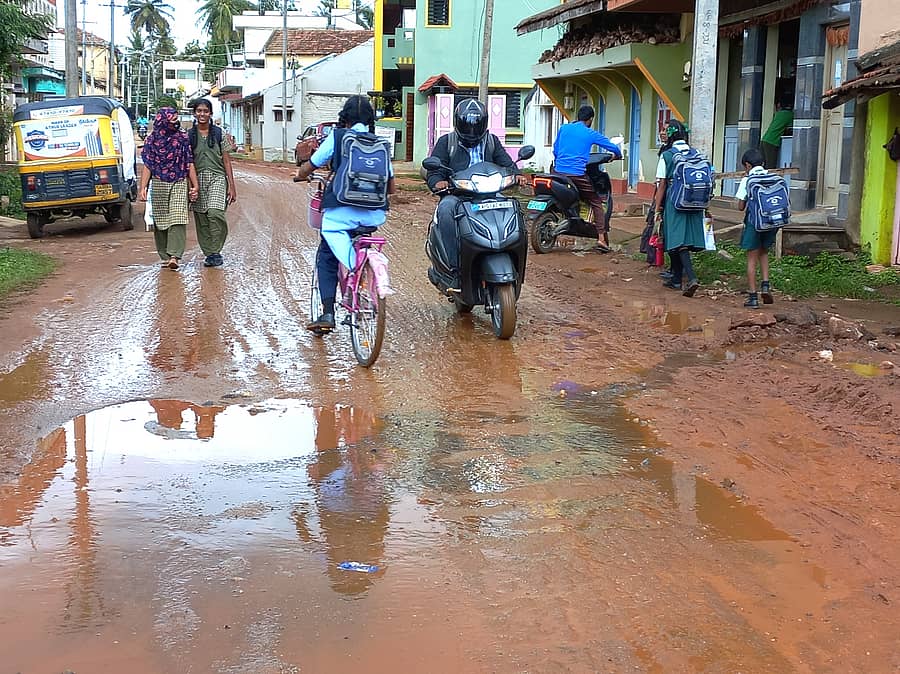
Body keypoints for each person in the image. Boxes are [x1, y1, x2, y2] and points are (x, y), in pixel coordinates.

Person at [295, 95, 396, 334]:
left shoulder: (338, 137)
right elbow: (391, 187)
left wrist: (300, 174)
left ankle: (327, 313)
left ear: (345, 119)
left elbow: (313, 163)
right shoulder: (381, 144)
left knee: (326, 254)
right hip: (373, 215)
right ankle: (360, 277)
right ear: (370, 120)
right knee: (361, 239)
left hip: (340, 213)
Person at [425, 98, 527, 286]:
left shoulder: (492, 141)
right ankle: (453, 268)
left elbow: (506, 164)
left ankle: (514, 261)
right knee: (446, 210)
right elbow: (434, 170)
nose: (472, 131)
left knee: (514, 208)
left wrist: (517, 175)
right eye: (467, 125)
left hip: (490, 194)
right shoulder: (446, 142)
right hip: (459, 196)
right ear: (458, 123)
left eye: (476, 126)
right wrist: (438, 182)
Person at [552, 105, 622, 249]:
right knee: (596, 201)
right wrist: (618, 155)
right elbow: (613, 147)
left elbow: (556, 150)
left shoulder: (564, 128)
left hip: (557, 172)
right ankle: (601, 238)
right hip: (576, 174)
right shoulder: (590, 133)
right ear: (590, 119)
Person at [139, 107, 199, 271]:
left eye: (176, 119)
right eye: (173, 119)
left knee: (178, 217)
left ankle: (175, 255)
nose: (176, 122)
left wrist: (195, 185)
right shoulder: (152, 140)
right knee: (161, 219)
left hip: (179, 181)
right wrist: (143, 187)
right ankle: (165, 256)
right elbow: (148, 165)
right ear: (163, 120)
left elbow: (189, 162)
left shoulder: (182, 138)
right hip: (158, 182)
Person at [655, 119, 705, 297]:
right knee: (681, 240)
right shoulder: (696, 153)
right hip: (695, 201)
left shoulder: (668, 155)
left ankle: (691, 278)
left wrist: (657, 208)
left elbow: (662, 184)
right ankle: (676, 279)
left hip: (674, 201)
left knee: (678, 241)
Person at [188, 98, 237, 268]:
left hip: (217, 178)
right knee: (202, 218)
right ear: (194, 113)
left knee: (215, 213)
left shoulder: (219, 133)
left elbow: (226, 160)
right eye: (199, 111)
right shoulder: (189, 135)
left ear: (210, 113)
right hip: (197, 180)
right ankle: (210, 253)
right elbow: (187, 162)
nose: (202, 114)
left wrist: (232, 186)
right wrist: (190, 186)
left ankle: (216, 249)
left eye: (205, 111)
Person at [736, 148, 776, 308]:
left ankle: (753, 297)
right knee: (764, 253)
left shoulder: (747, 180)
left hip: (754, 223)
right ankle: (765, 285)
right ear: (763, 163)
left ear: (747, 165)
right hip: (770, 222)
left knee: (752, 259)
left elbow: (741, 206)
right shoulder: (772, 177)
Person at [760, 96, 794, 170]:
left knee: (762, 167)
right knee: (771, 168)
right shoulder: (790, 115)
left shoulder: (778, 114)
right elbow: (792, 128)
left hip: (764, 139)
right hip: (772, 142)